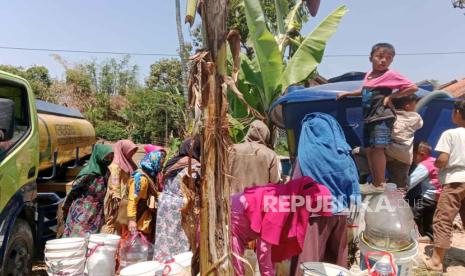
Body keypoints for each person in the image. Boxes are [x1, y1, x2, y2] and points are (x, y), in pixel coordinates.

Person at [337, 43, 418, 193]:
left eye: (388, 58)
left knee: (378, 149)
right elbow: (364, 90)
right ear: (371, 57)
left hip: (382, 115)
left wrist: (392, 96)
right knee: (370, 149)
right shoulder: (369, 74)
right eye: (380, 57)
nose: (383, 61)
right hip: (369, 117)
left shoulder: (390, 74)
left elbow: (413, 87)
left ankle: (380, 184)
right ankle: (375, 181)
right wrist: (347, 94)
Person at [291, 113, 360, 275]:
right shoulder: (342, 153)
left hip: (313, 215)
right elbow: (353, 184)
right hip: (340, 215)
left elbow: (296, 185)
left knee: (308, 261)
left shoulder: (306, 155)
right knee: (335, 260)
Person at [230, 176, 332, 276]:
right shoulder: (282, 204)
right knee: (236, 270)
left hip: (238, 214)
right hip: (233, 215)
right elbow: (264, 247)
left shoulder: (288, 197)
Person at [424, 100, 465, 271]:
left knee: (443, 219)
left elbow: (442, 159)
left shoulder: (450, 134)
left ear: (457, 113)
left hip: (455, 180)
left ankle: (436, 261)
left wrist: (438, 166)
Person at [153, 138, 201, 262]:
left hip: (164, 203)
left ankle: (161, 265)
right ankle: (176, 268)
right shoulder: (194, 165)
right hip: (180, 207)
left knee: (163, 238)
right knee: (179, 240)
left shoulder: (172, 162)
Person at [62, 144, 114, 237]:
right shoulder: (88, 173)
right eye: (106, 157)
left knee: (93, 239)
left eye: (111, 157)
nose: (109, 160)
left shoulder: (106, 172)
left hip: (97, 212)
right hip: (82, 211)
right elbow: (73, 192)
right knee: (78, 238)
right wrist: (65, 208)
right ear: (99, 156)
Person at [123, 149, 166, 241]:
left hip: (142, 216)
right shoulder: (141, 179)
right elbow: (132, 200)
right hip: (138, 218)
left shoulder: (149, 175)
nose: (161, 166)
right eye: (160, 163)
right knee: (133, 246)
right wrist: (132, 220)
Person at [229, 120, 281, 194]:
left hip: (234, 200)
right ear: (266, 134)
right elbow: (275, 180)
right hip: (258, 201)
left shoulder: (232, 149)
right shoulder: (270, 154)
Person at [405, 141, 441, 243]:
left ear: (421, 154)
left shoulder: (424, 165)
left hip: (426, 197)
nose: (411, 158)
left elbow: (410, 182)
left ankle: (411, 233)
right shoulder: (434, 162)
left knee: (415, 213)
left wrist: (399, 190)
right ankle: (429, 235)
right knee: (429, 216)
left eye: (413, 154)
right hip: (437, 196)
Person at [385, 94, 423, 188]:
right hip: (403, 156)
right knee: (399, 183)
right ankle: (396, 200)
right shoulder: (415, 117)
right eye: (415, 104)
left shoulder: (390, 114)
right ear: (407, 106)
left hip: (388, 151)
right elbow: (420, 125)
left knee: (361, 153)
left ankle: (365, 177)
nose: (416, 106)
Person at [101, 140, 138, 234]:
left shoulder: (129, 163)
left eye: (133, 151)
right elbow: (115, 183)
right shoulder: (116, 166)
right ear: (123, 150)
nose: (132, 154)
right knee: (114, 222)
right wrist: (116, 198)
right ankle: (110, 244)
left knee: (123, 223)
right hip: (117, 199)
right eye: (131, 151)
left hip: (125, 197)